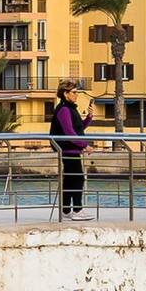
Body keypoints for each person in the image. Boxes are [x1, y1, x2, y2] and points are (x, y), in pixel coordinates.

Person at [50, 81, 92, 219]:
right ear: (65, 94)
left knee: (70, 179)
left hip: (72, 149)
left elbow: (78, 128)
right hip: (68, 150)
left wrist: (89, 118)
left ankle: (66, 210)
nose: (76, 95)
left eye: (77, 92)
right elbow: (69, 132)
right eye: (74, 92)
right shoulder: (64, 110)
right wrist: (84, 145)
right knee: (77, 179)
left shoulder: (70, 108)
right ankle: (77, 210)